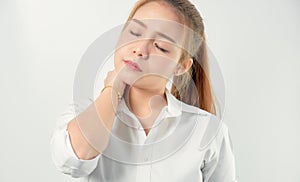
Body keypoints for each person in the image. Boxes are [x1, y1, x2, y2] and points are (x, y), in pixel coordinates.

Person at [50, 0, 237, 181]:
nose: (140, 49)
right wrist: (112, 88)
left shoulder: (209, 131)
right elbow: (74, 159)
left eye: (161, 46)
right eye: (135, 32)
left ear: (181, 66)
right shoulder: (82, 113)